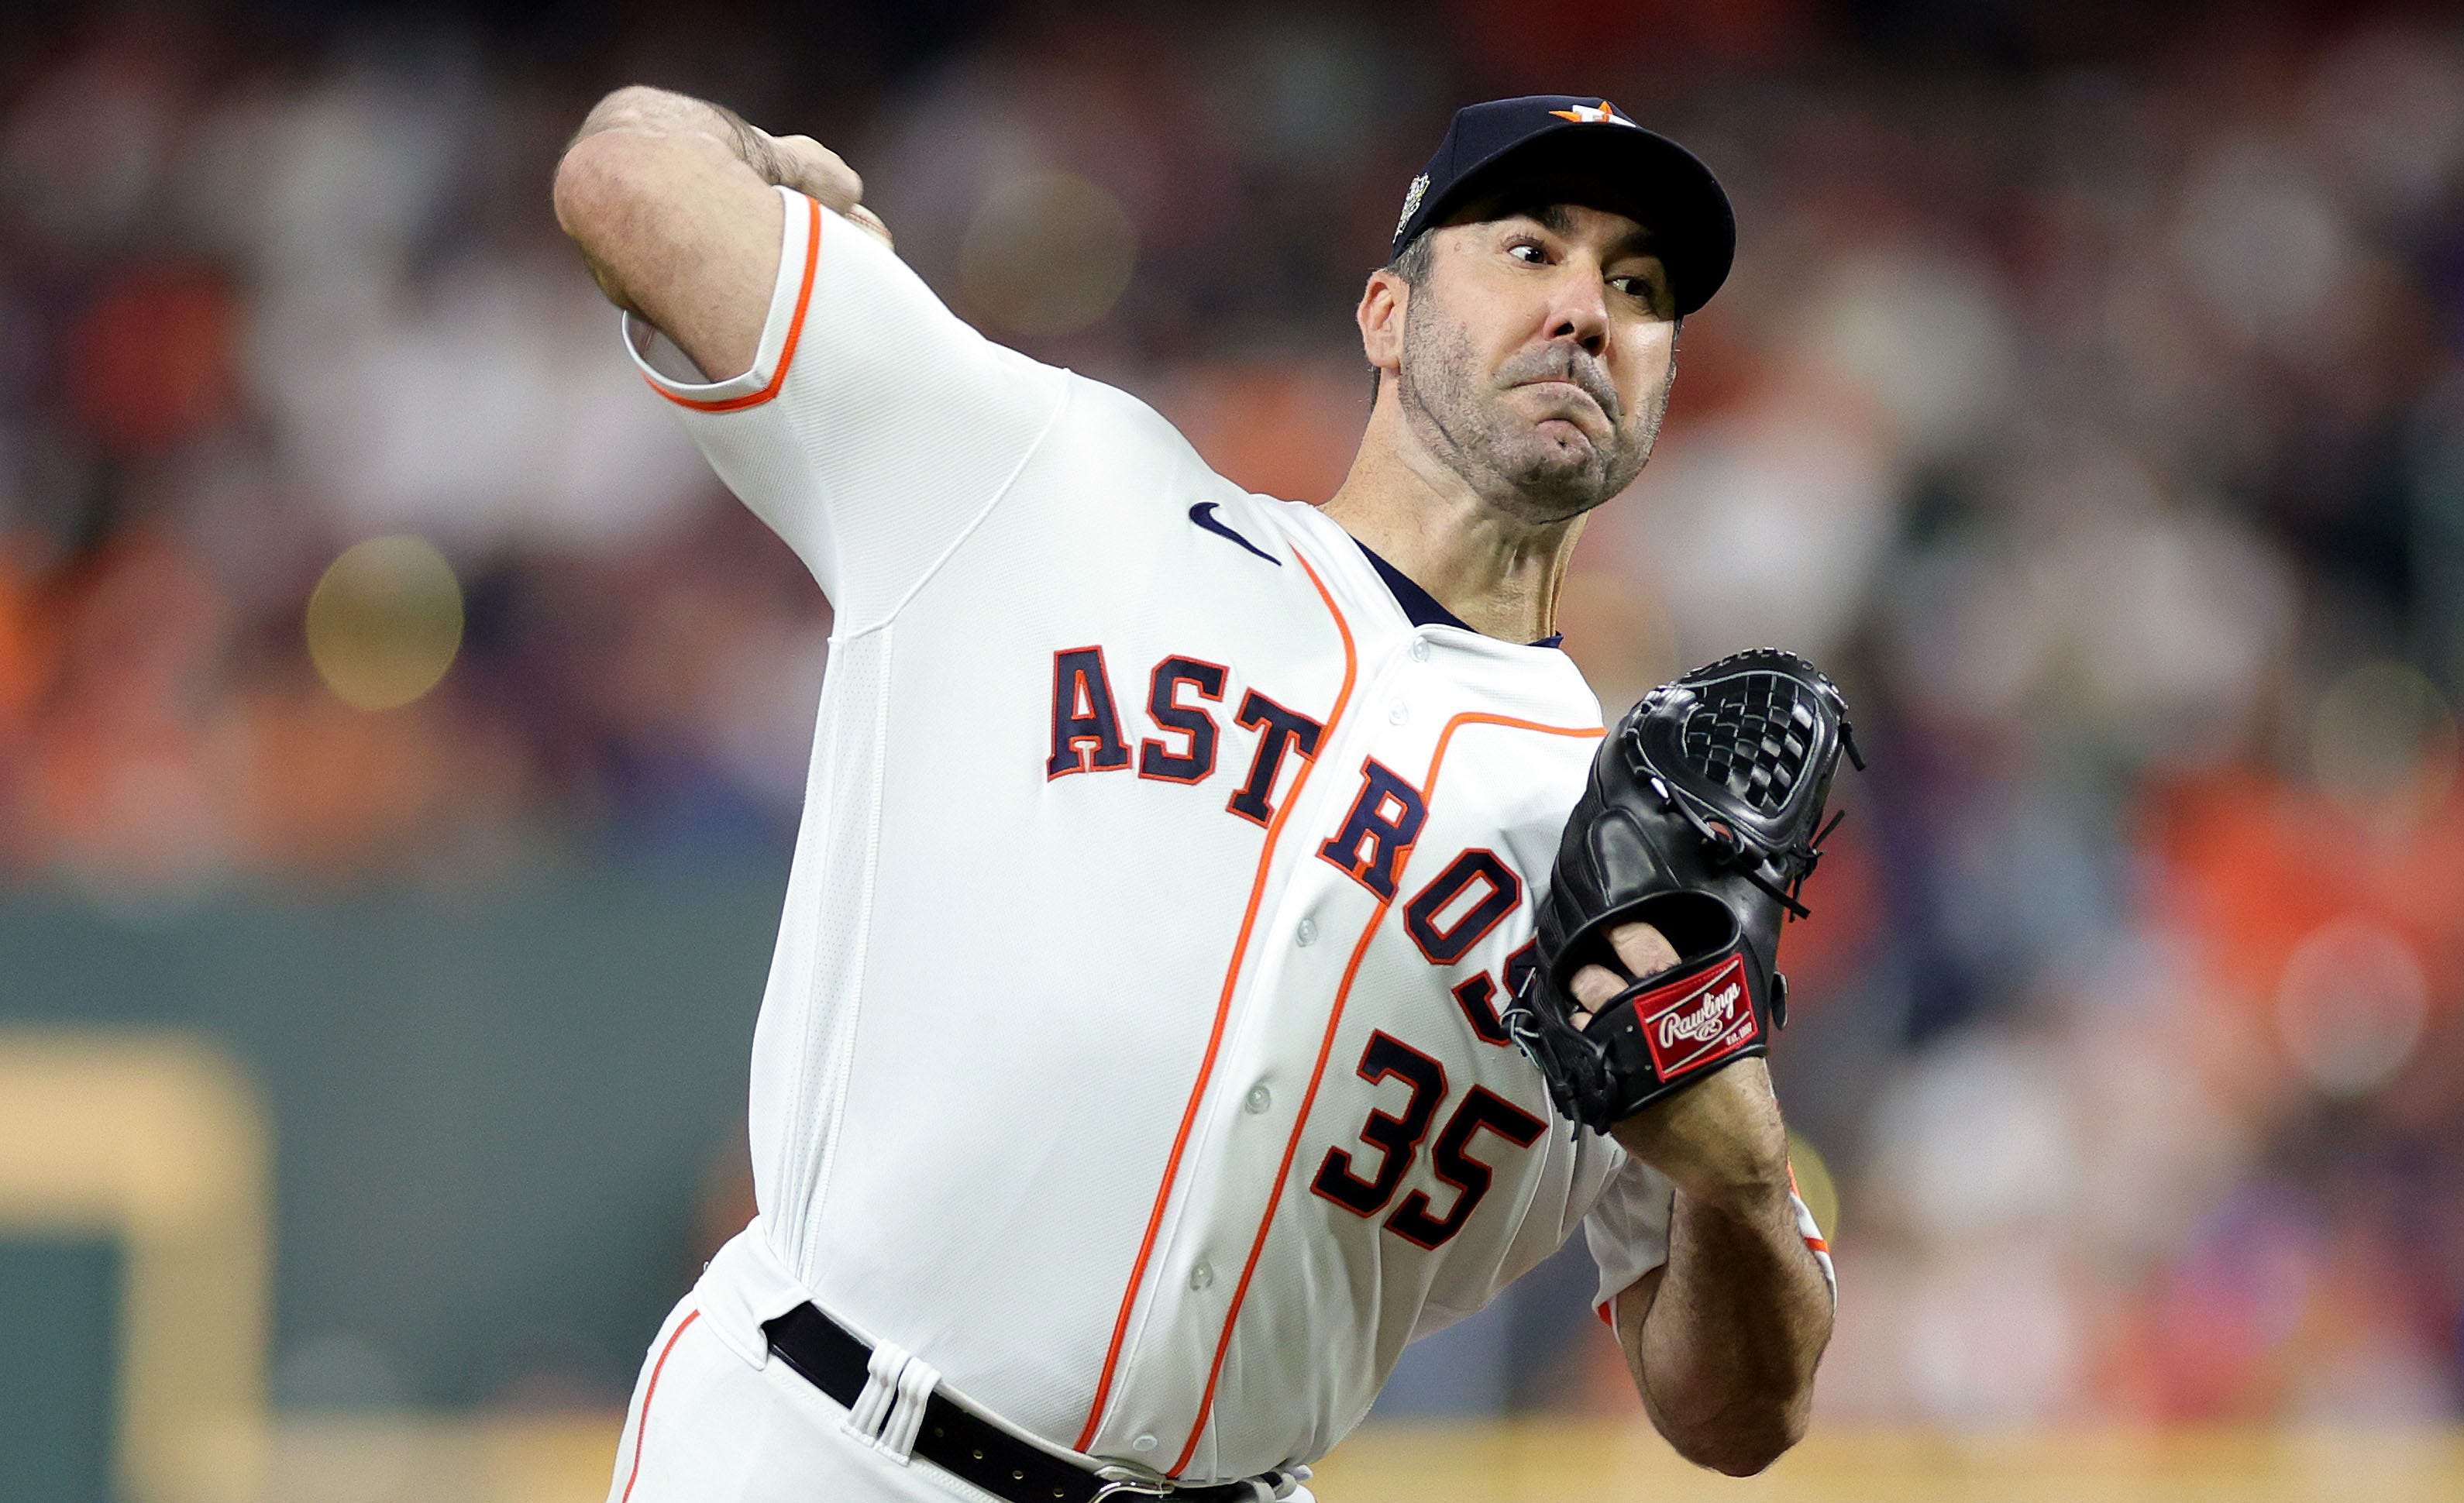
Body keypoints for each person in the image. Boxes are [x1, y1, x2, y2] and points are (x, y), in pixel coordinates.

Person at [553, 89, 1833, 1503]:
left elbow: (1737, 1418)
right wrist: (760, 162)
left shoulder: (1632, 849)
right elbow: (624, 178)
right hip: (816, 1440)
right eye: (1530, 249)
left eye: (1639, 286)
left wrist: (1739, 1181)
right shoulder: (1051, 482)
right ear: (1387, 315)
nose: (1590, 310)